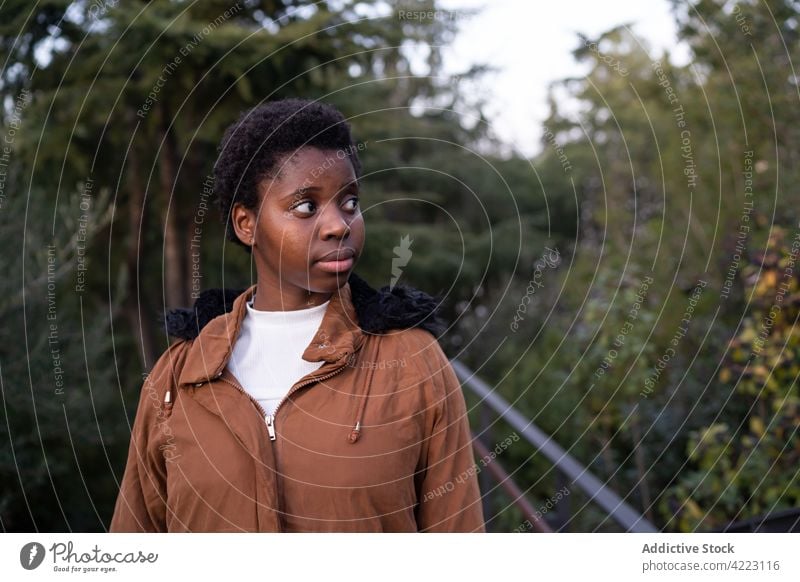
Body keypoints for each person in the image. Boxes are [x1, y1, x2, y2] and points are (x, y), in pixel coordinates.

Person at [109, 98, 485, 532]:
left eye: (349, 202)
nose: (339, 225)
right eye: (306, 206)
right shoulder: (178, 378)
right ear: (246, 224)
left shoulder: (413, 364)